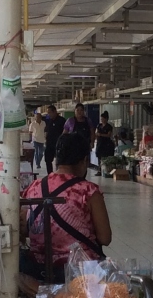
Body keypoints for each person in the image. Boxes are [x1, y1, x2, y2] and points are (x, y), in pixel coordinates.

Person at [21, 132, 112, 283]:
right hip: (80, 274)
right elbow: (105, 238)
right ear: (84, 160)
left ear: (57, 159)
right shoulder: (88, 191)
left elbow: (25, 229)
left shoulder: (34, 187)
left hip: (38, 270)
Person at [43, 105, 65, 173]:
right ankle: (50, 175)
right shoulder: (49, 121)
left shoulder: (62, 121)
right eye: (48, 113)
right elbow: (46, 130)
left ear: (54, 111)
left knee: (59, 161)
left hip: (59, 144)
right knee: (48, 160)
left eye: (50, 112)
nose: (49, 114)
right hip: (49, 144)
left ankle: (59, 175)